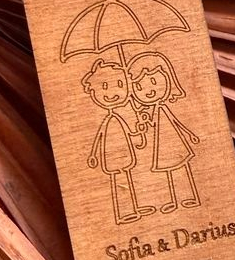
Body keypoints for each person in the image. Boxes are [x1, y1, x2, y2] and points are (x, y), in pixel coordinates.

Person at [82, 58, 154, 224]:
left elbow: (129, 132)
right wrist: (93, 155)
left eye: (120, 84)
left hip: (124, 154)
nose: (113, 92)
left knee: (127, 178)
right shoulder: (109, 120)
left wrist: (139, 134)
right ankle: (124, 212)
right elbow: (99, 137)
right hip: (112, 156)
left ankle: (134, 208)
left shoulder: (118, 118)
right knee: (119, 182)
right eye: (104, 86)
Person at [127, 51, 200, 213]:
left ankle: (191, 197)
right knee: (169, 171)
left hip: (175, 142)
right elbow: (152, 125)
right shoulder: (152, 110)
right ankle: (175, 200)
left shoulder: (163, 108)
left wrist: (190, 135)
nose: (149, 91)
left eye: (153, 81)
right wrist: (143, 122)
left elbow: (176, 122)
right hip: (163, 146)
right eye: (139, 86)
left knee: (183, 168)